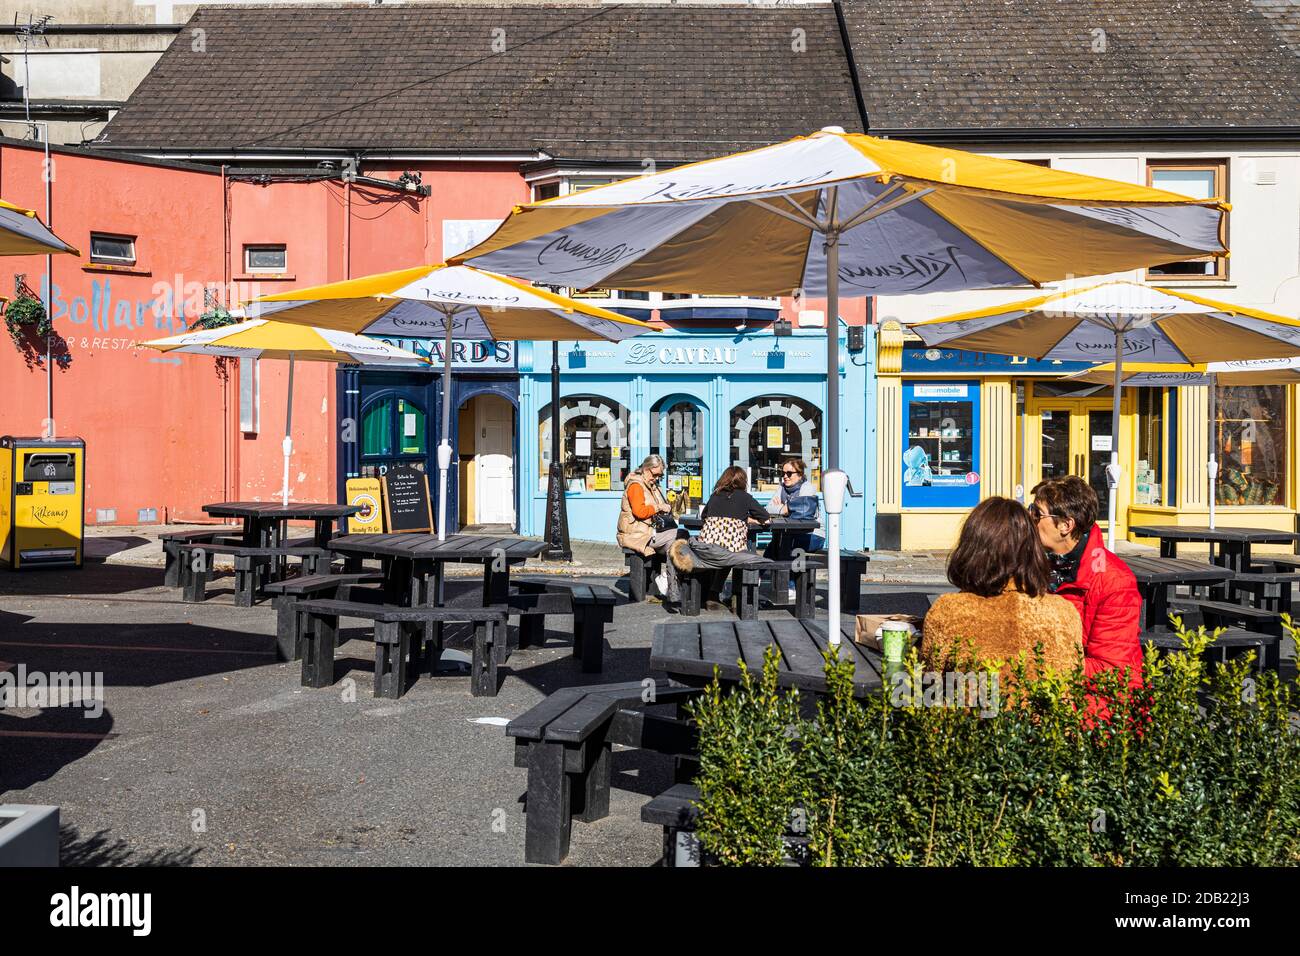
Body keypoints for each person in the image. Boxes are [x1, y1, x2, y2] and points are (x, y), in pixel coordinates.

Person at [923, 497, 1083, 679]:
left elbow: (930, 683)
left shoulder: (949, 611)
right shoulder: (1064, 613)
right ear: (1033, 550)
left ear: (971, 549)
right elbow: (1074, 682)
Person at [1028, 475, 1143, 687]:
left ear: (1065, 525)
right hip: (1048, 687)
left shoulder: (1115, 582)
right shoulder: (1032, 563)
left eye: (1037, 513)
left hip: (1092, 698)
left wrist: (1032, 667)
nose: (1029, 518)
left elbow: (1111, 671)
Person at [670, 465, 770, 606]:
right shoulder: (745, 498)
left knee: (723, 553)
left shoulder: (715, 496)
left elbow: (704, 516)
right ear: (743, 481)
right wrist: (748, 519)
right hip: (731, 550)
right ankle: (736, 600)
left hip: (707, 548)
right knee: (736, 555)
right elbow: (766, 518)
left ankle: (713, 595)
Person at [616, 454, 679, 601]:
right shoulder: (636, 486)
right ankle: (668, 581)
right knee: (679, 536)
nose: (656, 478)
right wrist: (659, 507)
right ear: (646, 469)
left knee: (676, 543)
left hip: (649, 532)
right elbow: (640, 512)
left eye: (660, 476)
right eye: (655, 474)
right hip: (636, 535)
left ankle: (668, 581)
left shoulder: (650, 485)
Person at [763, 458, 824, 558]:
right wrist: (784, 509)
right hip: (789, 533)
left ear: (800, 474)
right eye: (783, 473)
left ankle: (783, 568)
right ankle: (771, 568)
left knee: (782, 544)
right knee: (774, 545)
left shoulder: (806, 487)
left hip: (813, 535)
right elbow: (767, 509)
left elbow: (803, 513)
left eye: (789, 473)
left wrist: (783, 509)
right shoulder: (782, 488)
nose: (785, 476)